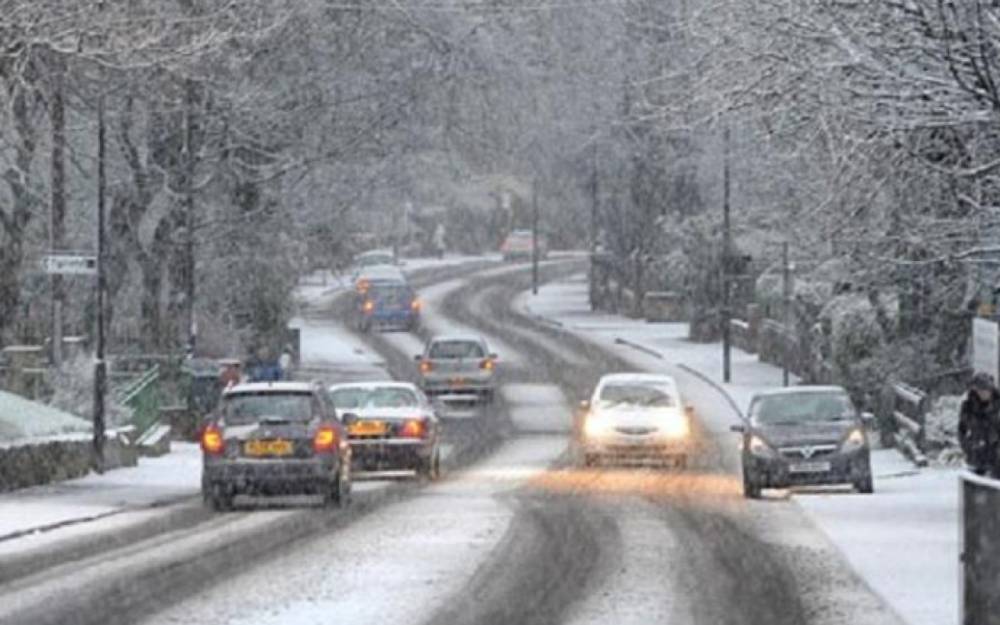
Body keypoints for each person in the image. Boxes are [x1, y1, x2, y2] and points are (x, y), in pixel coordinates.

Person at [959, 371, 1000, 476]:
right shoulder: (968, 407)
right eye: (979, 390)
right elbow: (962, 429)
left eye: (985, 389)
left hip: (996, 458)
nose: (983, 393)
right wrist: (967, 447)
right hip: (976, 456)